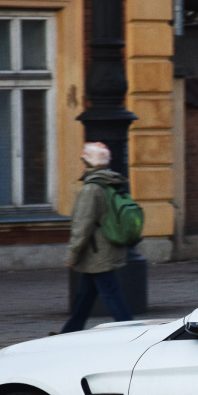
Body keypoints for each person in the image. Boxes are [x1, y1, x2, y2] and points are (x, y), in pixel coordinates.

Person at [61, 142, 133, 333]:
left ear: (88, 164)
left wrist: (72, 255)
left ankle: (133, 331)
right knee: (85, 296)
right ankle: (69, 332)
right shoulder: (114, 183)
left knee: (112, 296)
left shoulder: (91, 189)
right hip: (107, 249)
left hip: (96, 253)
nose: (82, 166)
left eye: (84, 162)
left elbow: (82, 225)